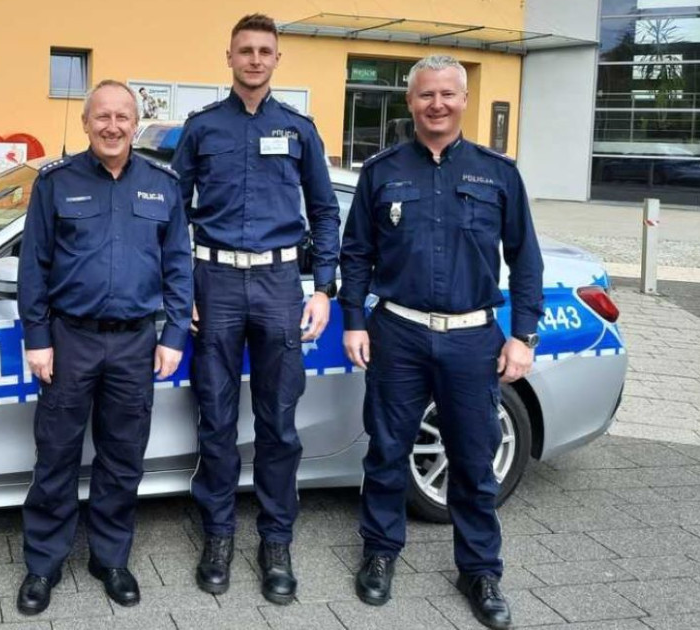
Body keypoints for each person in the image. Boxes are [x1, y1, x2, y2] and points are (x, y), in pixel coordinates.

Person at [338, 54, 544, 630]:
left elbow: (525, 259)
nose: (437, 104)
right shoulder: (382, 171)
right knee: (385, 453)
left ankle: (479, 569)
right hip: (397, 332)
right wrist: (354, 319)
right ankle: (380, 552)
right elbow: (355, 253)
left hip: (472, 338)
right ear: (411, 102)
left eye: (448, 95)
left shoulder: (497, 173)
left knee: (475, 462)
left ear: (464, 100)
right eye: (426, 95)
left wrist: (522, 335)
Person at [170, 13, 340, 605]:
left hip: (277, 285)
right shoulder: (201, 129)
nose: (255, 59)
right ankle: (218, 535)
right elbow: (173, 214)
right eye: (245, 50)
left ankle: (275, 542)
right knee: (215, 420)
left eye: (265, 51)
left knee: (277, 424)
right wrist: (183, 285)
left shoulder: (298, 130)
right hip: (213, 285)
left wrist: (322, 286)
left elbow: (324, 210)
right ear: (230, 57)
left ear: (276, 60)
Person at [15, 79, 193, 615]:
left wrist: (175, 334)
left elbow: (179, 265)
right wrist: (38, 338)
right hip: (70, 342)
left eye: (122, 116)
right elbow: (33, 267)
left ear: (135, 124)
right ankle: (43, 564)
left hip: (135, 343)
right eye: (102, 117)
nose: (112, 126)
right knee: (56, 456)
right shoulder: (56, 183)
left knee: (122, 459)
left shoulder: (163, 185)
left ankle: (111, 558)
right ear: (86, 123)